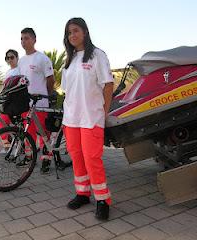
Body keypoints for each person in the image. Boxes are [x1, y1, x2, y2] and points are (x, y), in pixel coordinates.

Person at [61, 18, 114, 220]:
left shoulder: (97, 55)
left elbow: (108, 85)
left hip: (91, 116)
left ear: (85, 32)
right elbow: (67, 90)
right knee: (76, 155)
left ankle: (103, 199)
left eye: (75, 31)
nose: (72, 35)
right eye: (69, 32)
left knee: (92, 158)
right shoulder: (70, 59)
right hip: (71, 118)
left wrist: (104, 112)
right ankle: (83, 193)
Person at [18, 27, 55, 174]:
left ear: (34, 40)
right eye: (21, 38)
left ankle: (47, 158)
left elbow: (50, 80)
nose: (23, 41)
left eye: (26, 38)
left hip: (40, 104)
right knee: (28, 132)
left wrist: (46, 95)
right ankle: (29, 156)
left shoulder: (42, 58)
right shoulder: (21, 61)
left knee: (43, 133)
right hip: (25, 103)